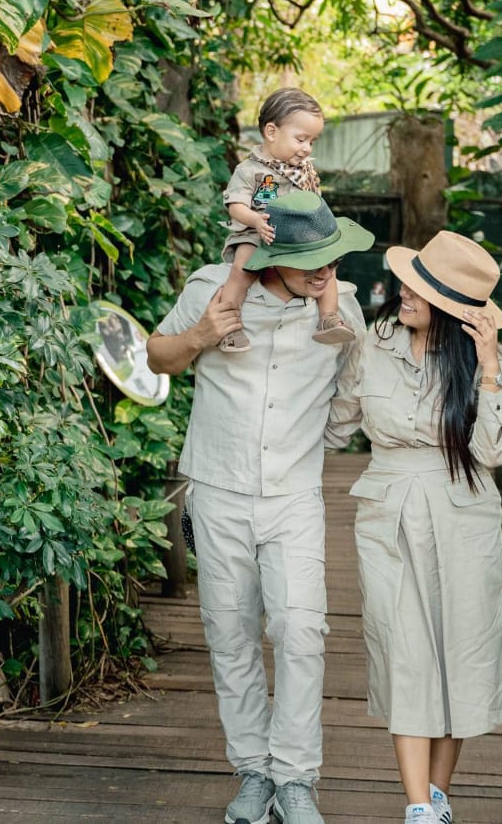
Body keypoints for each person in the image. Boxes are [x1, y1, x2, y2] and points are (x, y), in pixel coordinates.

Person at [148, 191, 373, 824]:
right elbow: (156, 355)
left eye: (331, 257)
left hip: (296, 495)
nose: (324, 270)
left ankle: (296, 779)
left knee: (301, 630)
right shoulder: (212, 289)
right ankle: (253, 772)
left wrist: (320, 440)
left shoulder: (343, 307)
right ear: (270, 252)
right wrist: (198, 336)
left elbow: (351, 392)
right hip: (217, 489)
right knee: (230, 631)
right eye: (310, 259)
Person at [324, 231, 502, 824]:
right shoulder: (372, 344)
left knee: (458, 652)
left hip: (463, 513)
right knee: (404, 651)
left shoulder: (489, 362)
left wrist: (488, 367)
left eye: (421, 287)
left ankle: (436, 797)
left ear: (455, 307)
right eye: (409, 279)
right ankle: (415, 806)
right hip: (387, 510)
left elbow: (493, 450)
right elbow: (333, 426)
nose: (404, 291)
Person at [215, 88, 354, 353]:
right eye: (301, 139)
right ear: (271, 132)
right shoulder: (250, 170)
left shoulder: (305, 171)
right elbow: (235, 206)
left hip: (300, 237)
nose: (307, 148)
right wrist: (255, 221)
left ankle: (329, 319)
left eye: (312, 142)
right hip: (259, 231)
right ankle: (230, 326)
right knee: (242, 270)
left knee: (327, 270)